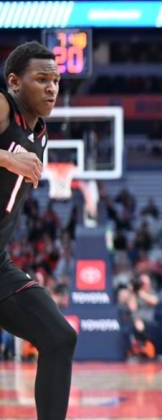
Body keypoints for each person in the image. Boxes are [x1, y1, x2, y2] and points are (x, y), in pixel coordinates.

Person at [0, 41, 77, 420]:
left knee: (59, 337)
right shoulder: (3, 107)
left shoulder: (41, 131)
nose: (51, 88)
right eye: (41, 79)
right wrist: (5, 157)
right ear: (14, 82)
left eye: (56, 81)